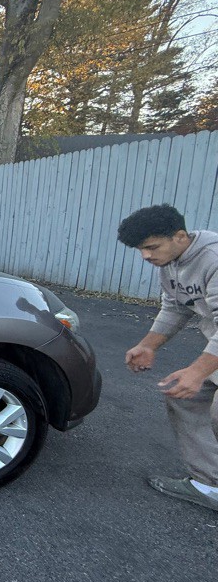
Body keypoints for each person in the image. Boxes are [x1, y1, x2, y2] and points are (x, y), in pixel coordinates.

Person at [118, 204, 218, 512]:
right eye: (140, 250)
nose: (145, 256)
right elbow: (175, 307)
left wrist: (198, 370)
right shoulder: (171, 263)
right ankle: (209, 485)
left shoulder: (213, 258)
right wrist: (149, 345)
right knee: (185, 397)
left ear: (179, 236)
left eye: (151, 247)